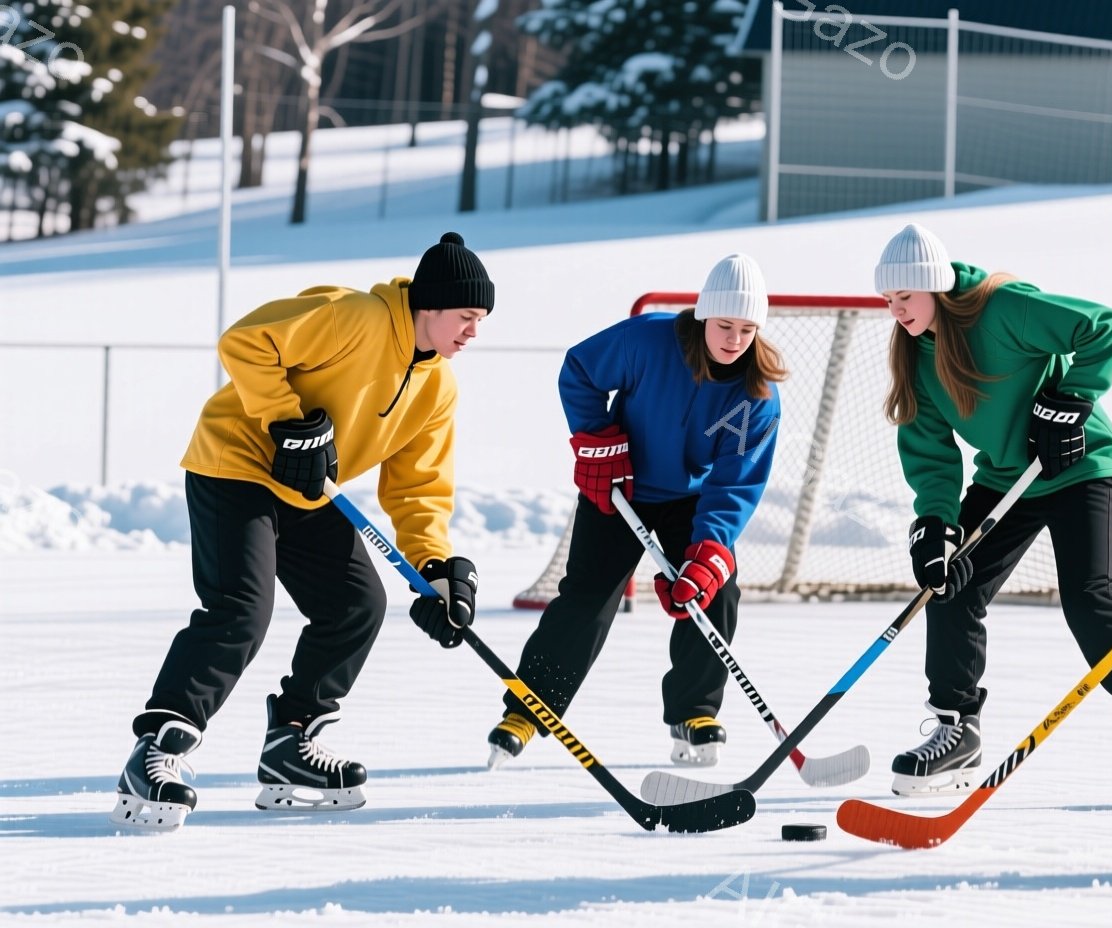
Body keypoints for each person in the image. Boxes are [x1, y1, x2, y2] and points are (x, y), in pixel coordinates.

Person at [111, 232, 494, 831]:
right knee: (241, 609)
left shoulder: (438, 387)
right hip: (236, 463)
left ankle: (292, 744)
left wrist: (437, 569)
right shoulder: (354, 316)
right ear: (431, 305)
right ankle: (157, 749)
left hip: (310, 490)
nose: (474, 331)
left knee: (357, 604)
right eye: (467, 316)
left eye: (481, 320)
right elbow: (245, 341)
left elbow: (417, 488)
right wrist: (289, 420)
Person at [875, 223, 1112, 805]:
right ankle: (956, 728)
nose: (897, 310)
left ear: (936, 286)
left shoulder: (1002, 308)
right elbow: (931, 454)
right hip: (1007, 480)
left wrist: (1070, 399)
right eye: (889, 301)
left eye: (906, 297)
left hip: (1081, 467)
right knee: (949, 585)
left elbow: (1106, 328)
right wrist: (936, 524)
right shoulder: (914, 356)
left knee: (1088, 597)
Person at [485, 253, 785, 770]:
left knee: (716, 591)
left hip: (689, 501)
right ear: (702, 316)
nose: (735, 339)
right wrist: (599, 441)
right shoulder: (648, 339)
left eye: (747, 329)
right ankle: (528, 710)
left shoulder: (758, 395)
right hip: (617, 487)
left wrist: (709, 549)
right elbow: (578, 370)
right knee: (586, 599)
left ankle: (694, 712)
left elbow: (736, 484)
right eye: (725, 325)